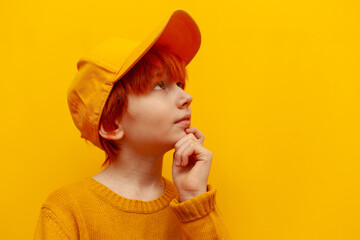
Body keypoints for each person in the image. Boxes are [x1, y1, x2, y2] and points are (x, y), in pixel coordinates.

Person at [34, 9, 231, 239]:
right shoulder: (66, 211)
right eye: (160, 85)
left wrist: (194, 199)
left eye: (179, 84)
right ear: (111, 124)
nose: (186, 98)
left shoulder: (192, 206)